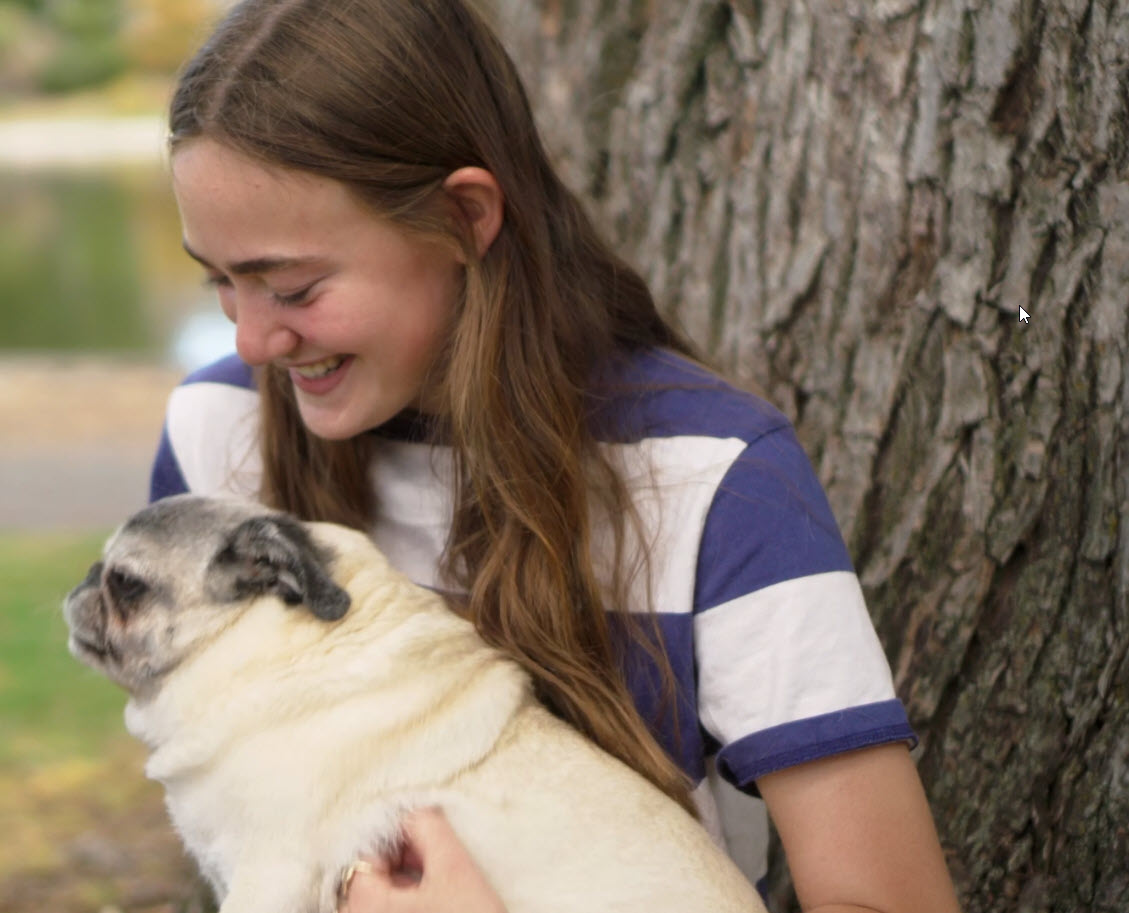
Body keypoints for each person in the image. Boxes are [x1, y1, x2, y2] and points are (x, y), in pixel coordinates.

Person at [146, 1, 961, 911]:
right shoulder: (216, 432)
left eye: (292, 286)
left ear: (463, 217)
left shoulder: (715, 480)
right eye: (219, 279)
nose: (252, 341)